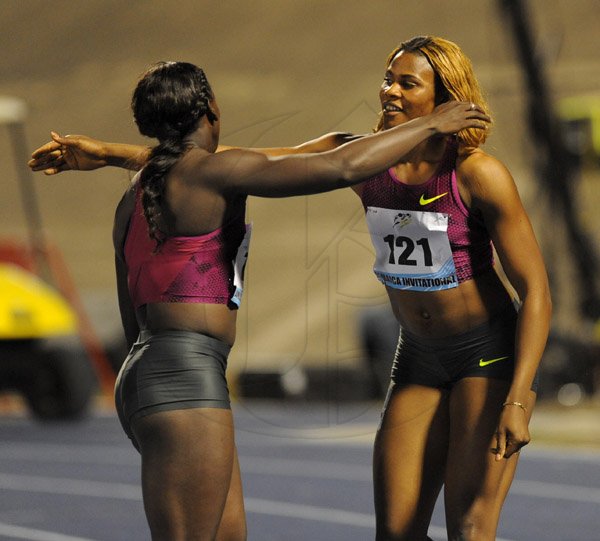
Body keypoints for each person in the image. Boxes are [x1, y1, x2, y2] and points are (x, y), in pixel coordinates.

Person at [30, 59, 489, 541]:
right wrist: (432, 124)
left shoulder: (140, 195)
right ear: (211, 107)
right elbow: (340, 165)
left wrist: (108, 153)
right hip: (185, 379)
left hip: (148, 372)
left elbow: (132, 309)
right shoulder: (212, 174)